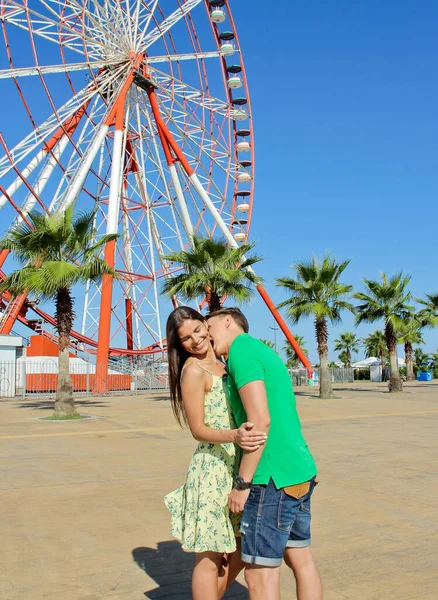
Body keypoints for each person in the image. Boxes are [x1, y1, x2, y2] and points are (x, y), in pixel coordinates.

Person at [207, 307, 323, 600]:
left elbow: (260, 420)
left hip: (269, 479)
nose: (206, 336)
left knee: (259, 574)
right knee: (301, 560)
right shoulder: (263, 351)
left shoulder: (241, 352)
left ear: (228, 322)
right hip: (299, 470)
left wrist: (242, 484)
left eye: (209, 328)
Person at [164, 306, 267, 600]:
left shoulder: (227, 365)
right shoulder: (193, 370)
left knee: (239, 551)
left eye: (197, 330)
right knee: (209, 557)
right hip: (211, 468)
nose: (195, 340)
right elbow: (198, 429)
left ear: (205, 325)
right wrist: (234, 435)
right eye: (185, 339)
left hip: (236, 469)